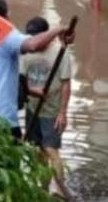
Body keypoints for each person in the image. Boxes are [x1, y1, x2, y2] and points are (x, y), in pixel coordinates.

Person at [0, 0, 73, 139]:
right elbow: (32, 45)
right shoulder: (2, 33)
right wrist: (58, 29)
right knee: (8, 159)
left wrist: (30, 91)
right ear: (7, 16)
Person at [21, 16, 73, 200]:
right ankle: (42, 190)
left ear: (48, 36)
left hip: (52, 110)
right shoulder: (26, 52)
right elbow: (22, 82)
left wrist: (62, 112)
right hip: (32, 109)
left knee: (51, 149)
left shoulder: (61, 53)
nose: (35, 43)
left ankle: (60, 188)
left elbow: (66, 84)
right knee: (37, 151)